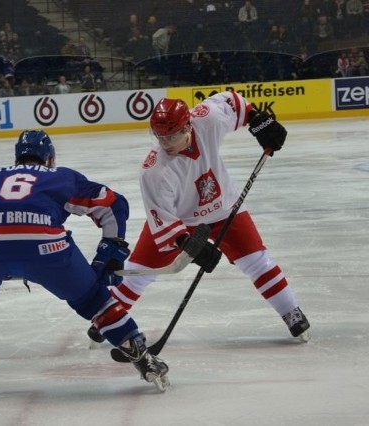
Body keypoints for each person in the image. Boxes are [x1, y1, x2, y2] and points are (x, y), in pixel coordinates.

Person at [0, 130, 173, 402]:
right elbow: (112, 204)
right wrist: (109, 251)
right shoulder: (60, 176)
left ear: (17, 157)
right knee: (96, 301)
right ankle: (144, 361)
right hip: (46, 247)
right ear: (50, 158)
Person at [87, 93, 311, 345]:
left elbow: (234, 103)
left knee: (256, 261)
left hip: (224, 207)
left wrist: (258, 120)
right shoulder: (154, 170)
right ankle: (109, 318)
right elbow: (162, 217)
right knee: (140, 274)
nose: (165, 143)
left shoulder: (207, 120)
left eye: (171, 136)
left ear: (188, 127)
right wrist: (189, 245)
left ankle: (291, 311)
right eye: (159, 136)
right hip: (179, 222)